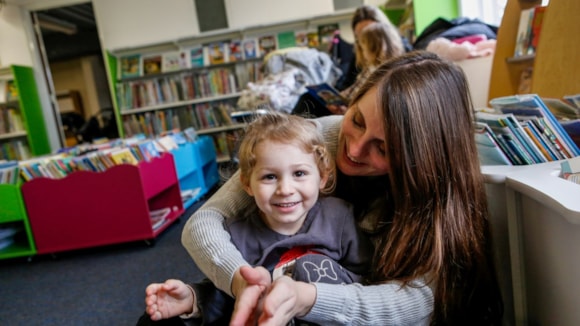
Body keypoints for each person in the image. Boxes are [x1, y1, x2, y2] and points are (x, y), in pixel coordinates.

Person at [183, 50, 504, 325]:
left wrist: (309, 298)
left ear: (420, 160)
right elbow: (204, 223)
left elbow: (419, 301)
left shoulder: (437, 196)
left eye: (383, 148)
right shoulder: (308, 141)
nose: (354, 150)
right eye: (358, 120)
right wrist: (240, 282)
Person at [139, 112, 372, 325]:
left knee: (308, 268)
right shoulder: (238, 233)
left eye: (299, 173)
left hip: (328, 315)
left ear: (322, 177)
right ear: (247, 185)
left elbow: (364, 279)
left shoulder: (339, 217)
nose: (285, 189)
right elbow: (227, 293)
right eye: (270, 177)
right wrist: (192, 299)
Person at [292, 6, 405, 117]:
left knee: (308, 102)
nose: (361, 42)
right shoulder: (361, 59)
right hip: (349, 104)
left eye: (368, 34)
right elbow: (348, 84)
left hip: (361, 107)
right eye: (359, 36)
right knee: (307, 98)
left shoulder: (399, 61)